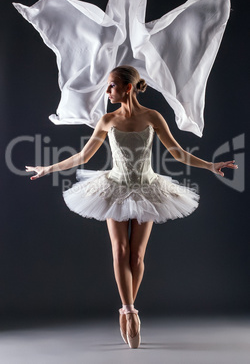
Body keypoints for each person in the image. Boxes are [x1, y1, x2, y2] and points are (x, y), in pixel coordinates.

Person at [25, 65, 238, 349]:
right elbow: (83, 156)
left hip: (147, 188)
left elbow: (176, 151)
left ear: (127, 87)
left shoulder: (152, 117)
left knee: (136, 256)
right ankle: (129, 312)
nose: (107, 90)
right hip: (114, 187)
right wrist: (48, 167)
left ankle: (127, 307)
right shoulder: (107, 119)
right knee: (120, 250)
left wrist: (210, 165)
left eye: (111, 85)